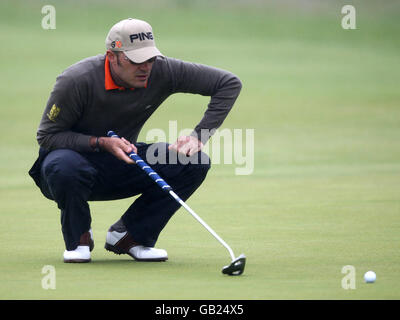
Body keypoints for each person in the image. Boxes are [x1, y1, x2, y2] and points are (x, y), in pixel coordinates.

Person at [29, 18, 242, 263]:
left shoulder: (162, 71)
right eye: (136, 60)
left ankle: (130, 237)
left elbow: (228, 83)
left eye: (150, 59)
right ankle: (79, 239)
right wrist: (101, 143)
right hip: (65, 167)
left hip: (122, 162)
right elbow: (47, 136)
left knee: (193, 162)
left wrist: (200, 136)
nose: (146, 67)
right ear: (112, 56)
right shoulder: (77, 80)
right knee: (65, 166)